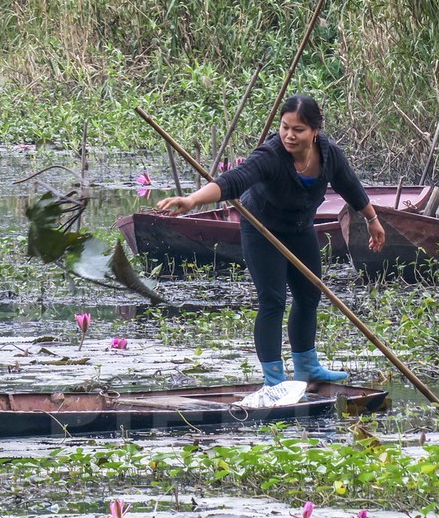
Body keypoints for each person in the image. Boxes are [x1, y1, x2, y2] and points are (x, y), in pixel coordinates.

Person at [155, 95, 386, 385]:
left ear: (315, 131)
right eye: (285, 127)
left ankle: (307, 367)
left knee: (309, 294)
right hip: (261, 228)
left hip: (300, 228)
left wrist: (372, 219)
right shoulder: (271, 155)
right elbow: (233, 181)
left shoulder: (330, 155)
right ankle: (274, 379)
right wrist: (191, 200)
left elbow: (350, 186)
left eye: (298, 129)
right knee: (273, 300)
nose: (289, 135)